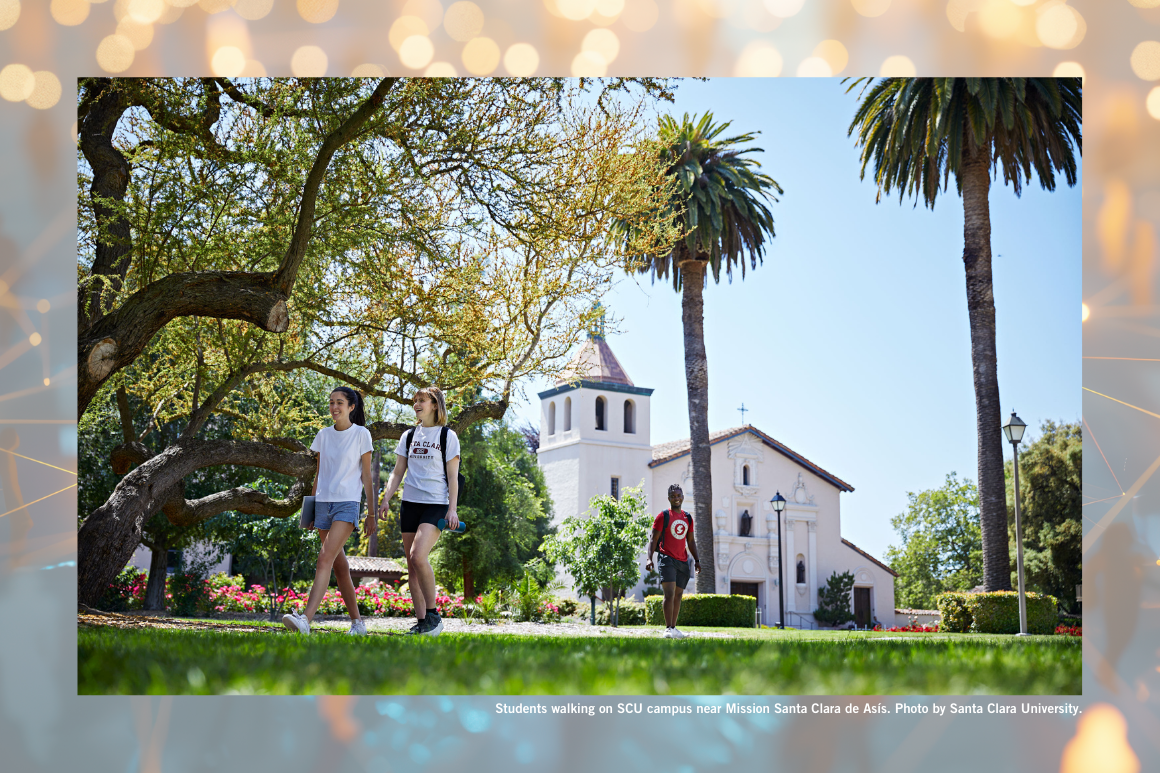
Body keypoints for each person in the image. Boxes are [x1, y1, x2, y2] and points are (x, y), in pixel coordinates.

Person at [283, 386, 376, 636]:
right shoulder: (323, 435)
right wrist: (311, 509)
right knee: (339, 565)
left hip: (347, 504)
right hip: (323, 504)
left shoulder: (361, 434)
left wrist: (372, 513)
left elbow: (367, 476)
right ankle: (358, 624)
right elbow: (320, 473)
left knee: (324, 558)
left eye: (340, 403)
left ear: (351, 407)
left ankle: (305, 619)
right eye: (331, 402)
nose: (334, 407)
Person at [379, 386, 461, 636]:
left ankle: (434, 615)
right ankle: (423, 622)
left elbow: (453, 477)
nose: (417, 404)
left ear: (435, 405)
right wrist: (386, 499)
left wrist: (453, 509)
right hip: (410, 503)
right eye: (415, 400)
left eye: (422, 400)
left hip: (436, 503)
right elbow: (398, 471)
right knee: (411, 565)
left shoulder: (448, 436)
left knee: (417, 555)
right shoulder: (409, 436)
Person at [645, 483, 700, 639]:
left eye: (678, 495)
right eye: (673, 496)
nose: (676, 498)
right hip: (666, 558)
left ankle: (674, 628)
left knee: (678, 595)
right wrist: (649, 559)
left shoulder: (688, 517)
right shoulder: (663, 516)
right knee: (669, 594)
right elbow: (653, 539)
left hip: (683, 561)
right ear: (669, 498)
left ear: (683, 497)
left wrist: (697, 560)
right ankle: (668, 629)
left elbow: (690, 541)